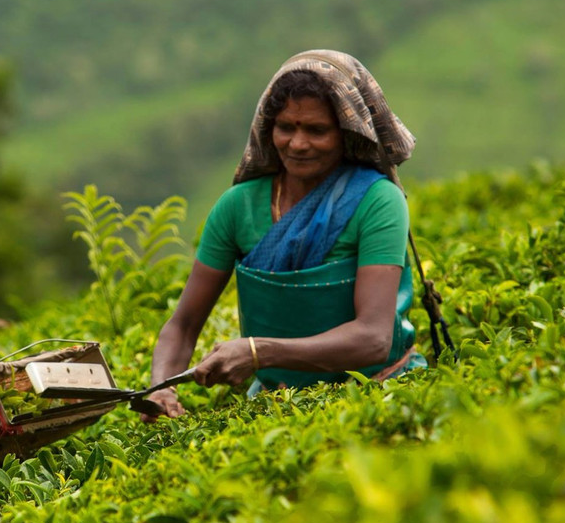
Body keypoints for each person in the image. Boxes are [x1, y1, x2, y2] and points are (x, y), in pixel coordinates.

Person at [145, 49, 426, 420]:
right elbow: (182, 326)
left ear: (346, 134)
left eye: (317, 130)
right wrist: (160, 388)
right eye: (286, 127)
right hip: (276, 404)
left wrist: (259, 352)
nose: (297, 143)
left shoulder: (377, 202)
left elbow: (373, 339)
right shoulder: (237, 206)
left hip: (378, 394)